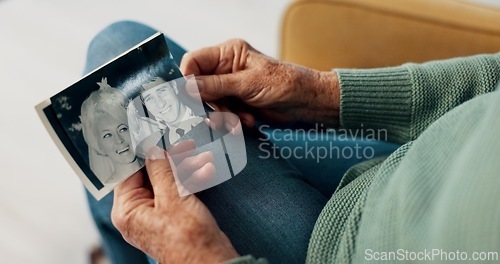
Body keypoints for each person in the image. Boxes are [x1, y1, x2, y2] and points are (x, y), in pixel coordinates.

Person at [86, 21, 500, 264]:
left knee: (116, 47)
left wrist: (202, 258)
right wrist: (320, 95)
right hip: (407, 165)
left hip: (348, 250)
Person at [81, 77, 142, 184]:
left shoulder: (162, 161)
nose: (119, 140)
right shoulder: (109, 192)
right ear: (99, 145)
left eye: (123, 129)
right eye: (107, 135)